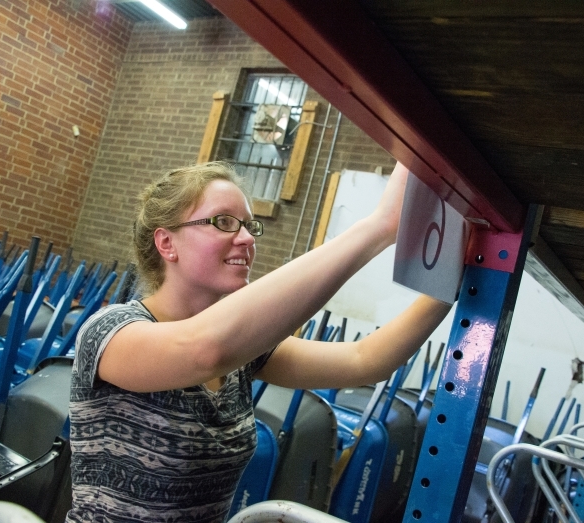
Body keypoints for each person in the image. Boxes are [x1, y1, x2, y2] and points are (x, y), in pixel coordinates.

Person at [66, 161, 452, 522]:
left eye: (251, 226)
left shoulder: (244, 354)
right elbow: (204, 351)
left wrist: (450, 278)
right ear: (167, 243)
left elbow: (365, 360)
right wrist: (381, 226)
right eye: (224, 222)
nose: (248, 238)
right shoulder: (111, 332)